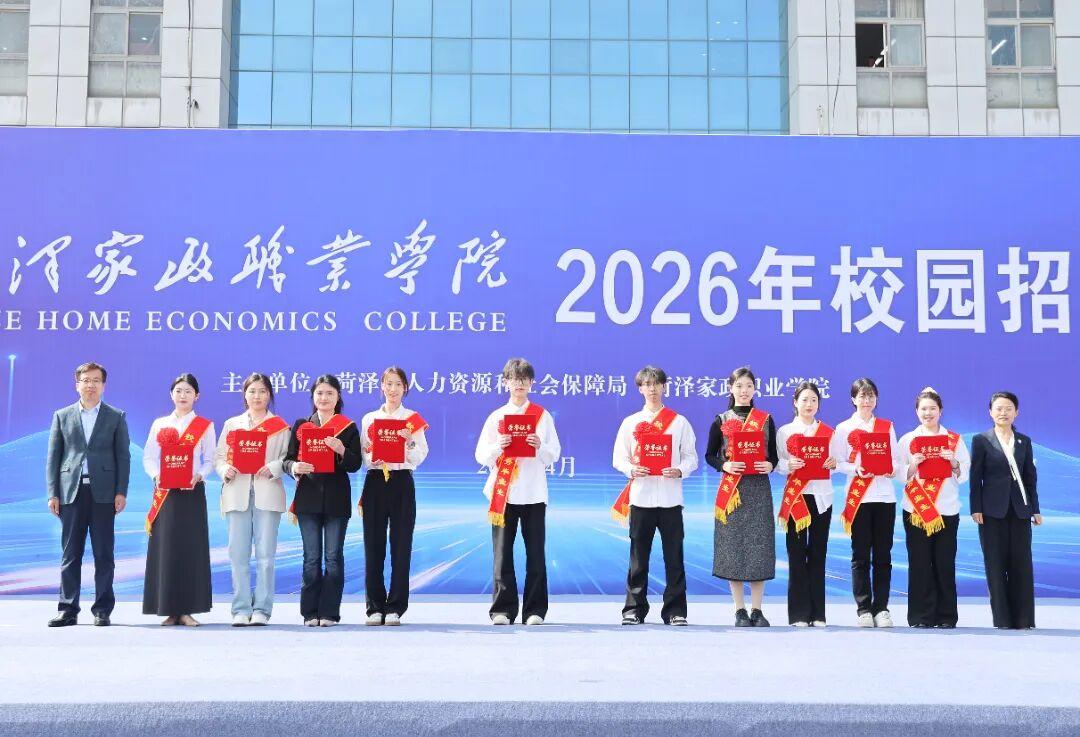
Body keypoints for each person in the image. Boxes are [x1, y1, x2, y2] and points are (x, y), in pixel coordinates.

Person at [474, 357, 561, 625]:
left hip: (534, 493)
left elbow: (554, 453)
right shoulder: (497, 417)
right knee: (502, 554)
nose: (519, 384)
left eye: (524, 379)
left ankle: (535, 610)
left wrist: (539, 446)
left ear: (531, 383)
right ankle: (503, 609)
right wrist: (498, 446)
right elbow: (480, 455)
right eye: (514, 379)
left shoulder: (542, 416)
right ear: (506, 382)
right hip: (505, 494)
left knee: (535, 554)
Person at [46, 362, 131, 627]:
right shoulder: (62, 415)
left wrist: (121, 491)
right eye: (85, 380)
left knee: (104, 554)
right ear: (77, 385)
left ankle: (102, 609)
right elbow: (53, 457)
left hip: (104, 493)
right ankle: (68, 609)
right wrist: (53, 493)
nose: (90, 385)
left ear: (103, 385)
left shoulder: (116, 416)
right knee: (70, 554)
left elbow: (123, 457)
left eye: (96, 380)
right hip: (71, 492)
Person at [612, 365, 698, 626]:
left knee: (674, 558)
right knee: (638, 558)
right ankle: (634, 609)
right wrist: (631, 469)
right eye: (646, 384)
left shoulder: (679, 422)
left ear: (664, 387)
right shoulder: (630, 422)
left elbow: (691, 458)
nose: (652, 389)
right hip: (641, 498)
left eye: (656, 384)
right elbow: (619, 458)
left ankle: (675, 611)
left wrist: (680, 470)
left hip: (671, 499)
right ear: (640, 389)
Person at [284, 374, 363, 627]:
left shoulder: (348, 427)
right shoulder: (302, 426)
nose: (324, 397)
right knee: (311, 558)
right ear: (313, 396)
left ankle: (329, 612)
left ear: (338, 397)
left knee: (333, 557)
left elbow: (356, 464)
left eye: (330, 393)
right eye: (319, 393)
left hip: (337, 500)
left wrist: (341, 450)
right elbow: (287, 460)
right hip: (307, 498)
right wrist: (295, 467)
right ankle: (310, 612)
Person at [214, 373, 290, 627]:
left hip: (268, 492)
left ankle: (262, 610)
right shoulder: (232, 424)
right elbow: (219, 457)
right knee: (238, 554)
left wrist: (274, 467)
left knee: (266, 556)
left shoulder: (280, 426)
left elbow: (287, 457)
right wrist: (225, 469)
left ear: (270, 395)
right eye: (252, 391)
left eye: (262, 391)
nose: (257, 396)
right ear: (244, 395)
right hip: (237, 492)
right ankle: (240, 608)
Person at [705, 366, 778, 627]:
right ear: (730, 389)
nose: (744, 390)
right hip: (732, 491)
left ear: (755, 389)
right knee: (733, 548)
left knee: (759, 547)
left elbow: (774, 455)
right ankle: (739, 610)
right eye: (739, 386)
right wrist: (724, 465)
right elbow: (710, 455)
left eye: (748, 386)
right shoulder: (721, 419)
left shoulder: (765, 419)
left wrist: (770, 465)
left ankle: (757, 610)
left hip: (758, 489)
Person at [142, 373, 216, 626]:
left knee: (190, 549)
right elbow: (149, 457)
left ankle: (187, 610)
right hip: (166, 494)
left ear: (197, 396)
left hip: (192, 492)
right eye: (178, 391)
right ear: (171, 394)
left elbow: (210, 459)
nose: (183, 395)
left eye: (188, 391)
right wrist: (157, 475)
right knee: (167, 549)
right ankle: (169, 609)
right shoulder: (160, 423)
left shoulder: (204, 426)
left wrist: (200, 475)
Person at [358, 367, 429, 626]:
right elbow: (364, 453)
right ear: (381, 386)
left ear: (405, 388)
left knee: (401, 545)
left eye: (398, 384)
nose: (393, 389)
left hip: (402, 482)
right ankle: (374, 607)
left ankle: (396, 606)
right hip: (376, 480)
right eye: (388, 384)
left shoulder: (412, 419)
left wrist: (409, 442)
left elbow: (420, 455)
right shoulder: (370, 419)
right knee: (373, 545)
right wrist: (371, 457)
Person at [829, 378, 901, 628]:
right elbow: (837, 463)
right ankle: (863, 609)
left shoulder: (886, 426)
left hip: (884, 497)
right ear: (853, 399)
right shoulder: (843, 428)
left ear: (876, 399)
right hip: (858, 498)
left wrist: (892, 469)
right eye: (862, 396)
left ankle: (881, 608)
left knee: (883, 555)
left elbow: (895, 459)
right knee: (860, 555)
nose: (867, 401)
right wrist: (855, 468)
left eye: (871, 396)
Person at [898, 387, 970, 629]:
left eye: (932, 408)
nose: (928, 413)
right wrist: (912, 466)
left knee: (944, 563)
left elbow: (964, 473)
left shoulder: (954, 440)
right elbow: (897, 471)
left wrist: (953, 462)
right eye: (923, 409)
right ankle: (921, 616)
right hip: (916, 510)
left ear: (940, 411)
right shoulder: (908, 439)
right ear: (916, 411)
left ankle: (946, 616)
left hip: (947, 509)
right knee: (919, 563)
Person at [970, 391, 1041, 629]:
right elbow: (975, 477)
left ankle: (1023, 619)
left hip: (1020, 510)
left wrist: (1035, 509)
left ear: (1016, 412)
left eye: (1008, 408)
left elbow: (1030, 479)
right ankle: (1002, 619)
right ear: (990, 412)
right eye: (999, 408)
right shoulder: (981, 440)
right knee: (995, 563)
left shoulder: (1024, 441)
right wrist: (976, 507)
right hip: (991, 511)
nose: (1003, 413)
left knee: (1021, 563)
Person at [775, 381, 836, 627]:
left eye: (813, 400)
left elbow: (838, 462)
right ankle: (799, 614)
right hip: (797, 497)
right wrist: (787, 465)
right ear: (795, 403)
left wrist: (833, 463)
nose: (809, 404)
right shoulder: (785, 431)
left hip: (822, 498)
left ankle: (818, 613)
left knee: (818, 554)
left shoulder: (829, 432)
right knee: (797, 554)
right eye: (804, 400)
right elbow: (777, 463)